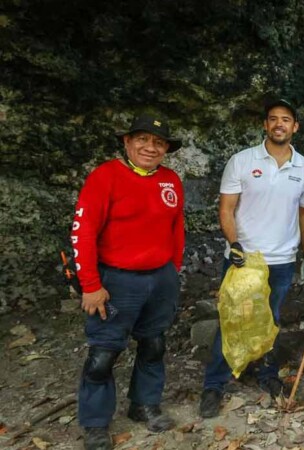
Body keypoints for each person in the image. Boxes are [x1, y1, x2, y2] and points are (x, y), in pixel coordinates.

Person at [72, 114, 185, 450]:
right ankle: (95, 424)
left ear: (166, 148)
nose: (150, 147)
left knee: (154, 345)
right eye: (143, 139)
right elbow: (83, 231)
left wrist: (172, 269)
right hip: (116, 280)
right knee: (103, 355)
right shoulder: (105, 177)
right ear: (127, 142)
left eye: (159, 142)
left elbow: (177, 226)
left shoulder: (170, 179)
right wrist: (91, 284)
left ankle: (143, 405)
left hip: (160, 278)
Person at [199, 98, 304, 418]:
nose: (280, 124)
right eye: (273, 119)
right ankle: (215, 383)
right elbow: (226, 208)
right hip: (245, 256)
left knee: (271, 319)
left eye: (286, 120)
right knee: (233, 318)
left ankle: (265, 374)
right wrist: (233, 243)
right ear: (265, 125)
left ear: (295, 127)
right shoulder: (241, 160)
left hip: (281, 259)